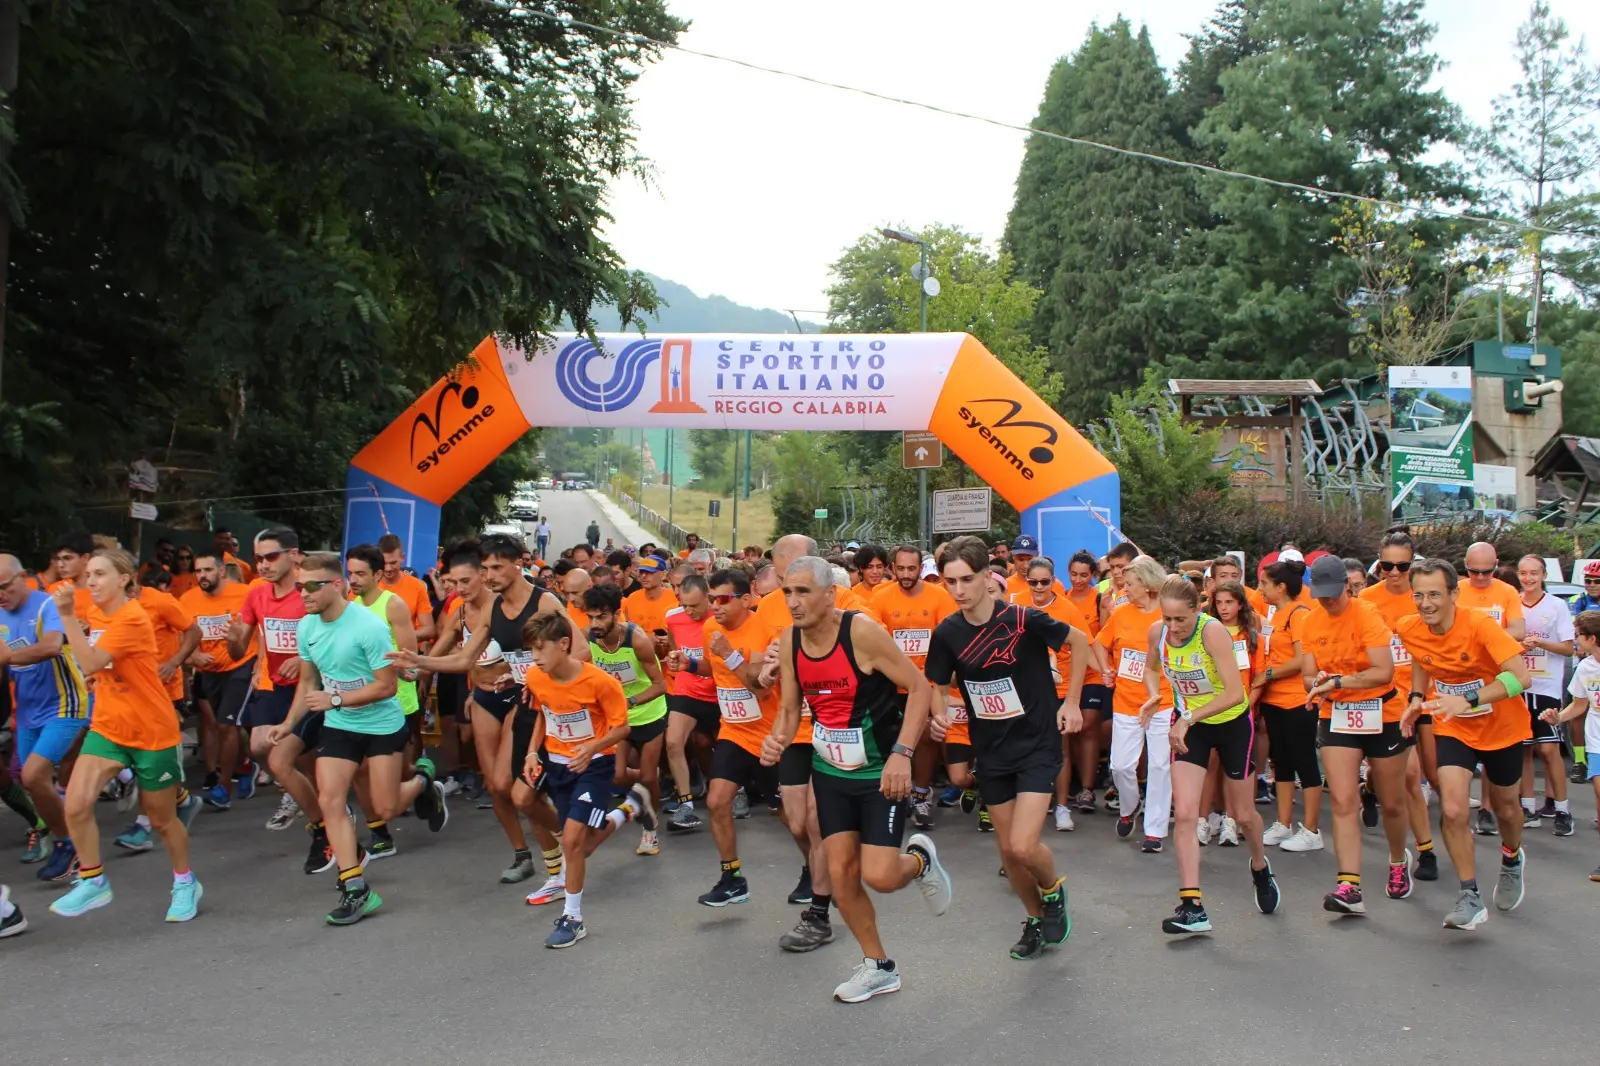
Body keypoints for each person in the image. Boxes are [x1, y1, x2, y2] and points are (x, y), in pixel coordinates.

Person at [760, 556, 951, 1002]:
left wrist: (903, 754)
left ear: (830, 595)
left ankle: (920, 860)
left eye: (803, 592)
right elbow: (790, 711)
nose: (792, 602)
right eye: (787, 591)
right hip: (830, 772)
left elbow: (919, 688)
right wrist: (777, 740)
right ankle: (879, 965)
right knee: (842, 876)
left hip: (880, 772)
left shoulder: (861, 633)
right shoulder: (790, 643)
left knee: (881, 877)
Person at [927, 536, 1087, 958]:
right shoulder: (948, 633)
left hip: (1036, 743)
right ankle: (1035, 918)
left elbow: (1081, 642)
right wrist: (938, 714)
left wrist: (1071, 702)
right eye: (950, 582)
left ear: (986, 577)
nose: (958, 590)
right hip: (992, 750)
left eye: (966, 580)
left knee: (1022, 845)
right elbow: (938, 686)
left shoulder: (1021, 619)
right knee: (1009, 855)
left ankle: (1053, 892)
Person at [266, 553, 443, 925]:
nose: (303, 594)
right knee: (331, 799)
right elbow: (309, 683)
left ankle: (425, 780)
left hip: (381, 725)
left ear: (335, 586)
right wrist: (289, 723)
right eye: (299, 586)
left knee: (386, 808)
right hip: (340, 724)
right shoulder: (307, 627)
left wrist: (335, 698)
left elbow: (386, 685)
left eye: (310, 586)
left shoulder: (367, 627)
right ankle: (355, 887)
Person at [393, 534, 568, 889]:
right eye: (453, 583)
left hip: (527, 702)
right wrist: (419, 663)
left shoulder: (534, 601)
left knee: (513, 785)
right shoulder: (472, 611)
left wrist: (533, 677)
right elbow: (459, 658)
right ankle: (529, 856)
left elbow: (576, 652)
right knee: (497, 786)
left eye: (488, 570)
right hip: (493, 697)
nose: (465, 586)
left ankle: (566, 837)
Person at [49, 550, 202, 923]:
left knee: (162, 820)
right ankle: (93, 879)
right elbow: (98, 661)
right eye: (89, 575)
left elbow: (89, 659)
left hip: (152, 731)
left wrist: (67, 616)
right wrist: (97, 673)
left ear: (124, 579)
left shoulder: (132, 616)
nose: (91, 581)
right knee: (76, 803)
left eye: (100, 574)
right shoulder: (98, 614)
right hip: (109, 726)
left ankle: (185, 882)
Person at [1398, 559, 1533, 930]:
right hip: (1454, 727)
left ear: (1454, 595)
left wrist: (1469, 698)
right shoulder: (1410, 626)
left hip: (1502, 727)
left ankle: (1511, 856)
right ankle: (1469, 894)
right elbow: (1421, 658)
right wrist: (1414, 697)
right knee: (1454, 810)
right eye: (1419, 595)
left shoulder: (1479, 625)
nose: (1426, 603)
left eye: (1435, 595)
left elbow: (1522, 678)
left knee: (1507, 809)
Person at [1143, 575, 1279, 933]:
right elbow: (1150, 668)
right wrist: (1153, 695)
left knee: (1244, 814)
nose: (1172, 627)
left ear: (1196, 610)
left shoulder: (1212, 632)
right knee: (1186, 814)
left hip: (1231, 723)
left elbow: (1236, 692)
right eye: (1167, 618)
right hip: (1190, 727)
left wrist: (1187, 717)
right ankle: (1192, 906)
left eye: (1180, 620)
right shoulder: (1157, 633)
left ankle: (1260, 866)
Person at [519, 613, 657, 948]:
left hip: (594, 766)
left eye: (539, 648)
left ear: (563, 644)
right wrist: (531, 752)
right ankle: (631, 807)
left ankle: (573, 918)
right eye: (530, 650)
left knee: (571, 841)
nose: (534, 657)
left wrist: (592, 747)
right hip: (557, 765)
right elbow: (543, 713)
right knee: (585, 844)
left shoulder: (599, 682)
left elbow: (622, 728)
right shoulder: (537, 677)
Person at [1296, 556, 1411, 915]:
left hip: (1383, 712)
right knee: (1344, 801)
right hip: (1337, 715)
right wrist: (1317, 685)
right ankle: (1349, 885)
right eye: (1322, 595)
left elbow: (1382, 672)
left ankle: (1396, 860)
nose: (1328, 601)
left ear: (1347, 585)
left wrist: (1340, 681)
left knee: (1392, 802)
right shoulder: (1310, 620)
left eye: (1334, 594)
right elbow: (1307, 675)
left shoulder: (1367, 614)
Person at [690, 569, 780, 910]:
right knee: (716, 801)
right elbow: (713, 670)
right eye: (711, 599)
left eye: (723, 599)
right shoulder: (711, 629)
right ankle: (732, 878)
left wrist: (729, 653)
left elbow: (761, 684)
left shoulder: (764, 630)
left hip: (770, 736)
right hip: (734, 730)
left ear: (745, 599)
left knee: (792, 818)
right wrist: (687, 663)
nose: (715, 607)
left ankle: (814, 871)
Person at [347, 543, 443, 857]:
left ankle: (424, 778)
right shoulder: (348, 605)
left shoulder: (394, 605)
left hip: (396, 703)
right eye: (350, 574)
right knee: (360, 771)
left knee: (399, 774)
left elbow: (409, 656)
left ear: (377, 575)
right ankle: (380, 834)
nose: (354, 580)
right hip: (360, 702)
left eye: (360, 574)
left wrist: (410, 673)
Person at [0, 553, 90, 879]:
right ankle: (68, 842)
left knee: (33, 775)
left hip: (64, 703)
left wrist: (7, 656)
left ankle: (72, 844)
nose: (0, 594)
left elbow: (52, 645)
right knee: (33, 782)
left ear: (22, 577)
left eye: (4, 586)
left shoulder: (46, 605)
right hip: (26, 709)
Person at [1359, 530, 1439, 880]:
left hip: (1424, 696)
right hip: (1387, 701)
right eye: (1386, 565)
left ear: (1412, 562)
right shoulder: (1366, 598)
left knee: (1431, 775)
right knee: (1408, 775)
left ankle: (1371, 789)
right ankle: (1427, 852)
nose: (1393, 573)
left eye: (1401, 566)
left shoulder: (1423, 597)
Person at [227, 529, 311, 834]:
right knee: (260, 746)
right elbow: (238, 649)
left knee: (307, 755)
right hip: (273, 682)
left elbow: (336, 636)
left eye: (271, 557)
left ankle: (326, 806)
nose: (263, 564)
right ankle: (294, 791)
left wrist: (303, 659)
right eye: (258, 558)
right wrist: (233, 639)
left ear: (293, 555)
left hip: (312, 685)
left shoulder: (309, 589)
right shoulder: (256, 592)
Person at [111, 574, 203, 852]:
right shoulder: (108, 605)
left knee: (148, 756)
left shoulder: (160, 602)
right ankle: (184, 800)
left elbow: (194, 631)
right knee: (144, 757)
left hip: (162, 691)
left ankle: (143, 824)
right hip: (125, 693)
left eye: (102, 574)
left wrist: (175, 662)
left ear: (125, 577)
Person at [868, 543, 957, 832]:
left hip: (927, 682)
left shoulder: (939, 596)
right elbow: (874, 639)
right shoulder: (880, 596)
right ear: (892, 568)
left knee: (927, 738)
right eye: (901, 569)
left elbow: (947, 637)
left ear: (921, 568)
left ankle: (921, 794)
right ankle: (894, 793)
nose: (906, 574)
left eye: (912, 568)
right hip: (891, 684)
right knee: (890, 739)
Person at [1014, 556, 1101, 833]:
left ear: (1053, 581)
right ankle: (1028, 804)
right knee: (1026, 746)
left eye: (1044, 582)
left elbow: (1084, 647)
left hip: (1059, 689)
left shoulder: (1068, 609)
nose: (1038, 588)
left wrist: (1106, 673)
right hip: (1025, 689)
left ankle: (1062, 806)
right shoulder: (1016, 604)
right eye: (1033, 582)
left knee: (1059, 747)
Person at [581, 583, 668, 856]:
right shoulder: (588, 639)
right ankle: (643, 792)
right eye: (591, 616)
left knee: (647, 774)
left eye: (601, 617)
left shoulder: (637, 640)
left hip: (649, 713)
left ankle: (650, 829)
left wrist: (628, 701)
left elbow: (659, 685)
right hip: (618, 719)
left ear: (616, 614)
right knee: (618, 775)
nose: (595, 623)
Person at [1097, 555, 1171, 850]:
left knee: (1161, 766)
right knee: (1121, 767)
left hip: (1162, 701)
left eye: (1130, 584)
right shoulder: (1122, 613)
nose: (1124, 589)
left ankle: (1155, 831)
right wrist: (1105, 669)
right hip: (1126, 701)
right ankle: (1129, 808)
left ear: (1148, 583)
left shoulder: (1167, 614)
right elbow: (1100, 644)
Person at [178, 551, 257, 810]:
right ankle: (245, 765)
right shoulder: (187, 599)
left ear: (221, 571)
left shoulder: (243, 593)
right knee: (225, 725)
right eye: (198, 571)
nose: (202, 576)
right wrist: (193, 656)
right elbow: (182, 634)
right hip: (209, 670)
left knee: (226, 725)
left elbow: (260, 626)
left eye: (207, 570)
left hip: (241, 665)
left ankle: (224, 787)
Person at [1255, 560, 1321, 850]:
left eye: (1265, 584)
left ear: (1281, 587)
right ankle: (1283, 823)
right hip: (1274, 700)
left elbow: (1300, 660)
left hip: (1297, 699)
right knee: (1280, 762)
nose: (1260, 590)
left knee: (1304, 761)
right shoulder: (1275, 614)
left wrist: (1269, 673)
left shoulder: (1299, 614)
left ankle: (1312, 828)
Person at [1514, 554, 1574, 834]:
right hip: (1519, 685)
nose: (1528, 579)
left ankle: (1562, 809)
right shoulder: (1512, 602)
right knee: (1524, 748)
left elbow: (1568, 648)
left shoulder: (1557, 605)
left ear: (1542, 575)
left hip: (1547, 686)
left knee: (1549, 748)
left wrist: (1541, 643)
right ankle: (1527, 806)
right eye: (1524, 573)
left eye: (1534, 573)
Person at [1537, 611, 1600, 877]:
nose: (1574, 641)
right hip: (1596, 743)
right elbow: (1580, 705)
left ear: (1592, 638)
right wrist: (1558, 716)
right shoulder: (1585, 667)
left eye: (1577, 636)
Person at [663, 575, 722, 830]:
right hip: (688, 689)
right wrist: (675, 659)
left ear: (708, 597)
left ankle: (735, 790)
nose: (690, 611)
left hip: (720, 692)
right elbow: (675, 647)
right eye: (685, 605)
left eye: (695, 605)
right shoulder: (673, 619)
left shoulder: (720, 618)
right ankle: (686, 805)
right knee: (674, 741)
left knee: (725, 748)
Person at [1566, 561, 1600, 781]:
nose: (1592, 585)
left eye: (1597, 581)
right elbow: (1572, 630)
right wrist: (1579, 648)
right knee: (1577, 711)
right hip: (1583, 663)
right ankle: (1579, 760)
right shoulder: (1576, 601)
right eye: (1587, 580)